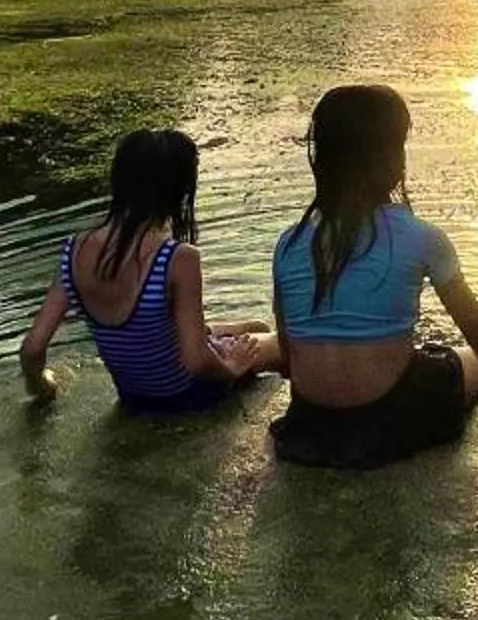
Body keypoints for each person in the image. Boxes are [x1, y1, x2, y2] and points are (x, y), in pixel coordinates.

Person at [267, 83, 478, 468]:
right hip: (385, 426)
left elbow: (288, 355)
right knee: (475, 361)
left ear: (321, 161)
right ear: (393, 161)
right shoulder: (422, 237)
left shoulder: (288, 244)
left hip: (308, 425)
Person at [19, 127, 283, 414]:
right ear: (180, 190)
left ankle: (224, 336)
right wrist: (231, 367)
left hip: (134, 398)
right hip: (191, 394)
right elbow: (196, 361)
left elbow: (33, 347)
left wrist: (43, 388)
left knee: (256, 326)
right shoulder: (178, 258)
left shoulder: (74, 251)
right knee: (280, 343)